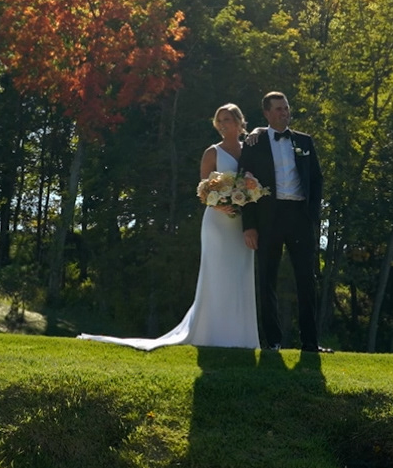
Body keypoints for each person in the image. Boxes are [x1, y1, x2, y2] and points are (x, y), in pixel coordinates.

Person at [78, 104, 259, 350]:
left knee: (240, 275)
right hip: (217, 222)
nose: (223, 124)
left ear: (238, 121)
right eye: (220, 121)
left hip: (241, 223)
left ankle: (240, 336)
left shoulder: (250, 151)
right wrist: (220, 205)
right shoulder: (212, 152)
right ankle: (212, 334)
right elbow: (204, 190)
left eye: (227, 119)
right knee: (217, 274)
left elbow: (255, 182)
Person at [238, 91, 325, 352]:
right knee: (267, 278)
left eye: (286, 108)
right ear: (266, 113)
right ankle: (273, 341)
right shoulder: (254, 143)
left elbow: (316, 180)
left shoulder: (304, 141)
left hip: (299, 216)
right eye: (278, 109)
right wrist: (249, 225)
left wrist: (313, 216)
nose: (284, 112)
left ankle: (310, 342)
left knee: (306, 279)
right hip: (269, 217)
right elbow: (244, 184)